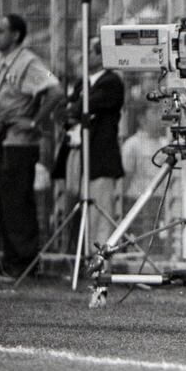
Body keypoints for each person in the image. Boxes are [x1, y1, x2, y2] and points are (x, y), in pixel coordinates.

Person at [0, 14, 63, 277]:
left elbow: (55, 90)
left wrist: (34, 122)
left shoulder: (29, 62)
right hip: (5, 137)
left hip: (20, 142)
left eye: (1, 31)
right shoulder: (4, 63)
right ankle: (11, 262)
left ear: (16, 35)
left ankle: (24, 264)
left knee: (17, 203)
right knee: (7, 202)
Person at [53, 37, 125, 252]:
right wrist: (75, 111)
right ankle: (79, 253)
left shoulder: (112, 82)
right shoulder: (82, 83)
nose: (84, 57)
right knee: (74, 205)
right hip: (76, 153)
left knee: (99, 209)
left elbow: (81, 108)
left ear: (102, 56)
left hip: (99, 157)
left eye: (90, 52)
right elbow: (63, 112)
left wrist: (76, 110)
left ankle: (99, 258)